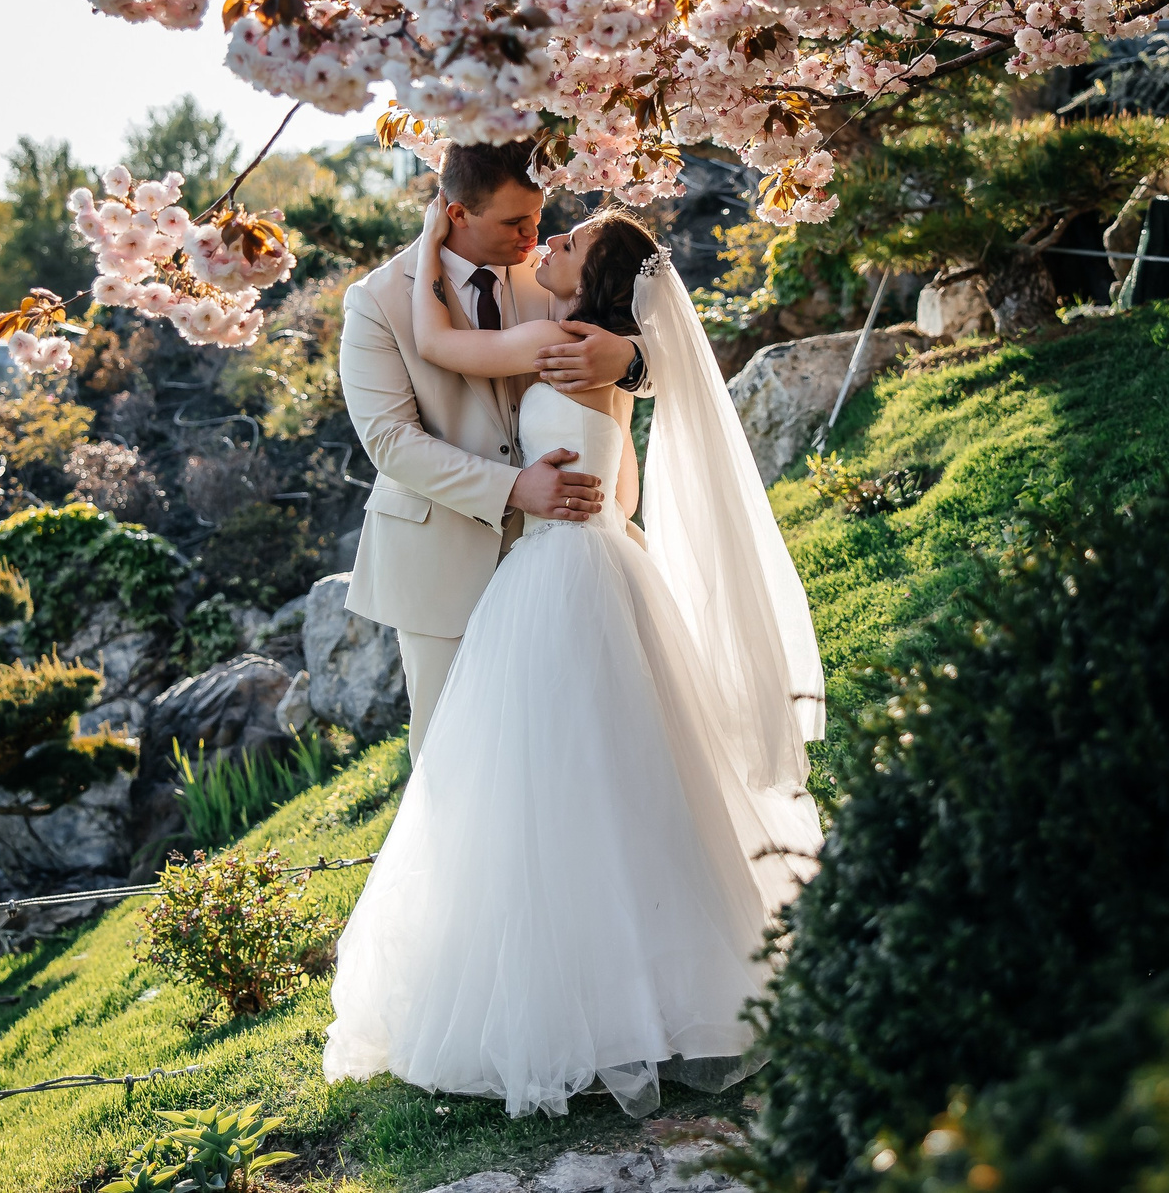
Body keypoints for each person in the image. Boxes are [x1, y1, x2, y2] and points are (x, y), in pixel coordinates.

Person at [323, 197, 828, 1118]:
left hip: (555, 570)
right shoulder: (589, 346)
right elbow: (621, 478)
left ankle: (564, 1005)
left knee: (544, 789)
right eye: (542, 227)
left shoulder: (564, 341)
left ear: (594, 281)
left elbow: (439, 343)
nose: (545, 239)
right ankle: (641, 987)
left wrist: (433, 240)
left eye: (566, 239)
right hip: (595, 558)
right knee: (612, 783)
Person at [336, 141, 647, 752]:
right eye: (513, 222)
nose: (533, 235)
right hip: (440, 558)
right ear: (457, 214)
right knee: (454, 753)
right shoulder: (378, 301)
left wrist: (630, 359)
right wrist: (512, 487)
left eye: (538, 216)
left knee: (569, 740)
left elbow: (654, 342)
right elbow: (390, 440)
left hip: (567, 557)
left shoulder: (558, 274)